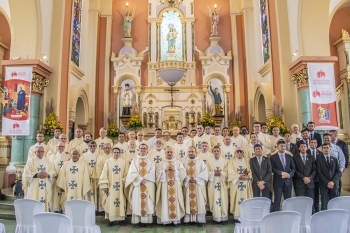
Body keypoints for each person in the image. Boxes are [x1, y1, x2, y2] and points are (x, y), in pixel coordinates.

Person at [125, 144, 155, 228]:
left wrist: (146, 179)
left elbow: (153, 171)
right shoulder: (134, 160)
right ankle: (138, 222)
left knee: (148, 203)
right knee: (137, 202)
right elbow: (132, 172)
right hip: (138, 185)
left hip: (148, 185)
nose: (142, 150)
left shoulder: (151, 160)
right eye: (141, 148)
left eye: (144, 148)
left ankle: (147, 222)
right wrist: (140, 179)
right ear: (138, 150)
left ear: (147, 150)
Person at [155, 147, 186, 226]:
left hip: (175, 187)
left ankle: (175, 221)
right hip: (165, 187)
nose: (169, 153)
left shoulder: (178, 162)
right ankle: (166, 221)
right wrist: (164, 170)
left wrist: (175, 169)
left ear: (173, 153)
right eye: (167, 152)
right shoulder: (161, 163)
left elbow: (183, 172)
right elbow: (157, 172)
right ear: (165, 153)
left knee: (176, 201)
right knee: (165, 201)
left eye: (170, 152)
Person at [99, 147, 127, 227]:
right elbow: (104, 174)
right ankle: (111, 220)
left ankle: (121, 220)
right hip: (111, 186)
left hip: (120, 186)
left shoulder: (123, 162)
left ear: (120, 153)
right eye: (115, 152)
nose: (116, 154)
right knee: (110, 202)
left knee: (120, 202)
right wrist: (105, 185)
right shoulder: (108, 162)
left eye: (118, 152)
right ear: (112, 153)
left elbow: (126, 174)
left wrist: (124, 182)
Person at [182, 146, 208, 227]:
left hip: (198, 185)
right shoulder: (184, 162)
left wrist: (196, 179)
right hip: (188, 185)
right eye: (189, 151)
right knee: (188, 202)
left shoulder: (200, 162)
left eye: (192, 151)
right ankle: (189, 219)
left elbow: (205, 172)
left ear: (196, 152)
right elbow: (182, 173)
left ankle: (199, 220)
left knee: (199, 202)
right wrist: (188, 179)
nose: (191, 153)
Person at [23, 146, 54, 212]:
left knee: (45, 201)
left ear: (44, 152)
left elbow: (52, 171)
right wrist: (36, 174)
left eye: (41, 151)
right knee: (35, 201)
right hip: (35, 185)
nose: (40, 153)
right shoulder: (30, 161)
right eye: (38, 151)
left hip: (45, 185)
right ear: (35, 152)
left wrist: (48, 174)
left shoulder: (47, 161)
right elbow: (26, 172)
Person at [228, 147, 253, 221]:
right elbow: (230, 172)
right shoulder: (231, 162)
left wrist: (249, 176)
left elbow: (250, 171)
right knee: (237, 200)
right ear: (235, 153)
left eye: (240, 151)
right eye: (237, 151)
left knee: (246, 199)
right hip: (236, 184)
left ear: (243, 153)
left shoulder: (247, 161)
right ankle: (237, 216)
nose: (239, 153)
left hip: (246, 184)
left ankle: (246, 216)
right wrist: (239, 176)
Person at [270, 140, 295, 211]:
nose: (283, 147)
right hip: (278, 181)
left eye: (284, 146)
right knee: (277, 199)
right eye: (281, 146)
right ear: (277, 147)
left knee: (288, 200)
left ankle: (288, 214)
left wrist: (289, 175)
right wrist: (281, 173)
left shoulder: (289, 156)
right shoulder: (273, 157)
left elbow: (293, 169)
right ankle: (276, 214)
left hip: (288, 181)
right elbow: (272, 168)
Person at [207, 146, 228, 225]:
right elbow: (206, 171)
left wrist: (221, 173)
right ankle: (215, 219)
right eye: (215, 151)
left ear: (220, 152)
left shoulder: (225, 161)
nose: (216, 152)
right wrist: (213, 173)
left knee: (223, 200)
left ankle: (224, 218)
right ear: (212, 152)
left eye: (217, 151)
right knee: (214, 200)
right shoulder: (209, 161)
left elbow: (227, 171)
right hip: (213, 183)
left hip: (222, 184)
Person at [317, 143, 341, 210]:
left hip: (334, 185)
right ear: (322, 150)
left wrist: (332, 182)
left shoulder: (335, 159)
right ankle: (324, 218)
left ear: (330, 149)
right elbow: (319, 172)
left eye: (327, 148)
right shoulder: (319, 160)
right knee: (324, 203)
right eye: (324, 148)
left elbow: (338, 172)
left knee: (334, 203)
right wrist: (327, 182)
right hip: (324, 185)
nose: (326, 149)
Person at [50, 142, 71, 212]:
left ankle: (63, 208)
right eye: (59, 146)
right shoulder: (52, 157)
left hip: (65, 179)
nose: (61, 148)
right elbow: (50, 167)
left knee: (64, 194)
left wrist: (64, 177)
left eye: (62, 146)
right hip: (55, 178)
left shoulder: (68, 156)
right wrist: (55, 175)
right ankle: (55, 209)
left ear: (64, 147)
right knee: (55, 194)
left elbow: (70, 166)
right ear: (57, 147)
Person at [81, 141, 99, 210]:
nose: (92, 147)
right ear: (88, 147)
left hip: (96, 177)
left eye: (94, 146)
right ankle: (87, 207)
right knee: (87, 191)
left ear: (96, 147)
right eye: (90, 146)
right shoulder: (84, 156)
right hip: (87, 177)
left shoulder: (99, 155)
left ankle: (96, 208)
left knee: (96, 193)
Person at [307, 138, 323, 212]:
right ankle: (310, 210)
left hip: (318, 177)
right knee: (310, 195)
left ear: (317, 144)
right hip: (309, 177)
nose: (313, 144)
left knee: (317, 194)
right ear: (309, 144)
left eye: (315, 142)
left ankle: (317, 209)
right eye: (312, 142)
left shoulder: (320, 153)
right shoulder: (306, 152)